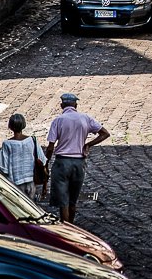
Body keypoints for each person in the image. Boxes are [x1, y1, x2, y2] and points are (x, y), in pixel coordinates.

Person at [45, 93, 110, 223]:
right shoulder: (85, 118)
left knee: (63, 203)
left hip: (62, 163)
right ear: (76, 105)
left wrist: (46, 162)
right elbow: (105, 133)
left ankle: (65, 229)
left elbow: (51, 147)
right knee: (73, 201)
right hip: (79, 164)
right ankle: (72, 227)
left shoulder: (58, 120)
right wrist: (88, 144)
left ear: (61, 105)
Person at [0, 113, 47, 201]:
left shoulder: (7, 144)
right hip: (31, 180)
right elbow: (42, 159)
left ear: (11, 127)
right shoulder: (32, 140)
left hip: (15, 183)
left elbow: (3, 168)